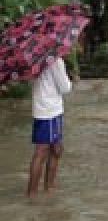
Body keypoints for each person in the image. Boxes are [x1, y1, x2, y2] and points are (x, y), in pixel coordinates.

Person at [28, 55, 72, 196]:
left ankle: (49, 188)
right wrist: (68, 78)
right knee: (42, 152)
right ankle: (33, 193)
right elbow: (65, 88)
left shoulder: (34, 58)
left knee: (56, 149)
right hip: (50, 111)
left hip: (40, 108)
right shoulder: (55, 60)